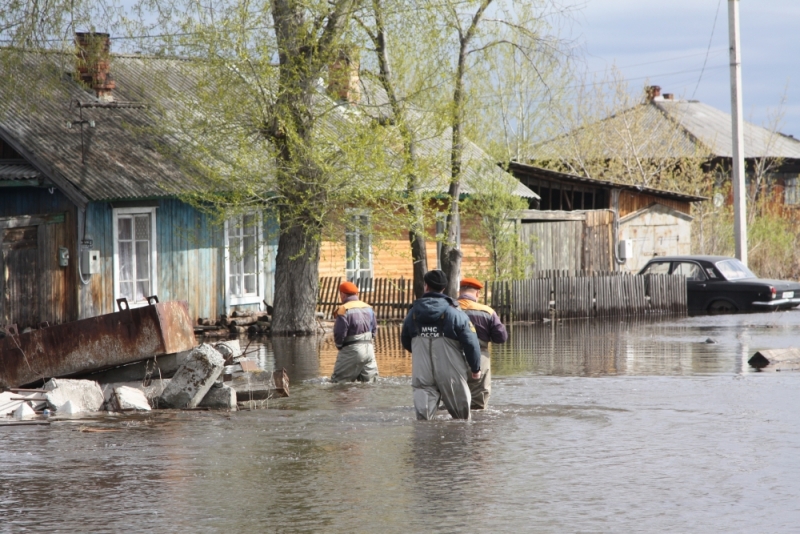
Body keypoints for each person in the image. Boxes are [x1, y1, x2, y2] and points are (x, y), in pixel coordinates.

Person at [401, 270, 482, 420]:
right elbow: (471, 343)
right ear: (444, 288)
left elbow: (405, 340)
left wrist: (422, 354)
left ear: (426, 286)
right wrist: (475, 368)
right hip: (450, 370)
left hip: (422, 369)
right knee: (462, 421)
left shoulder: (412, 313)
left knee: (424, 422)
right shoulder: (455, 313)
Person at [457, 277, 508, 410]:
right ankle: (477, 429)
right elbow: (501, 337)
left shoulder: (449, 309)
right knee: (478, 400)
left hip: (452, 356)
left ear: (459, 291)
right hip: (480, 356)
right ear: (477, 293)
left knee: (452, 397)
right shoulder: (487, 311)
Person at [331, 281, 379, 383]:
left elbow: (339, 333)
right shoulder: (369, 308)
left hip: (351, 350)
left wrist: (340, 346)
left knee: (338, 384)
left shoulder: (344, 309)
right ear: (357, 294)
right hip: (369, 350)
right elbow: (374, 330)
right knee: (370, 385)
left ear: (342, 294)